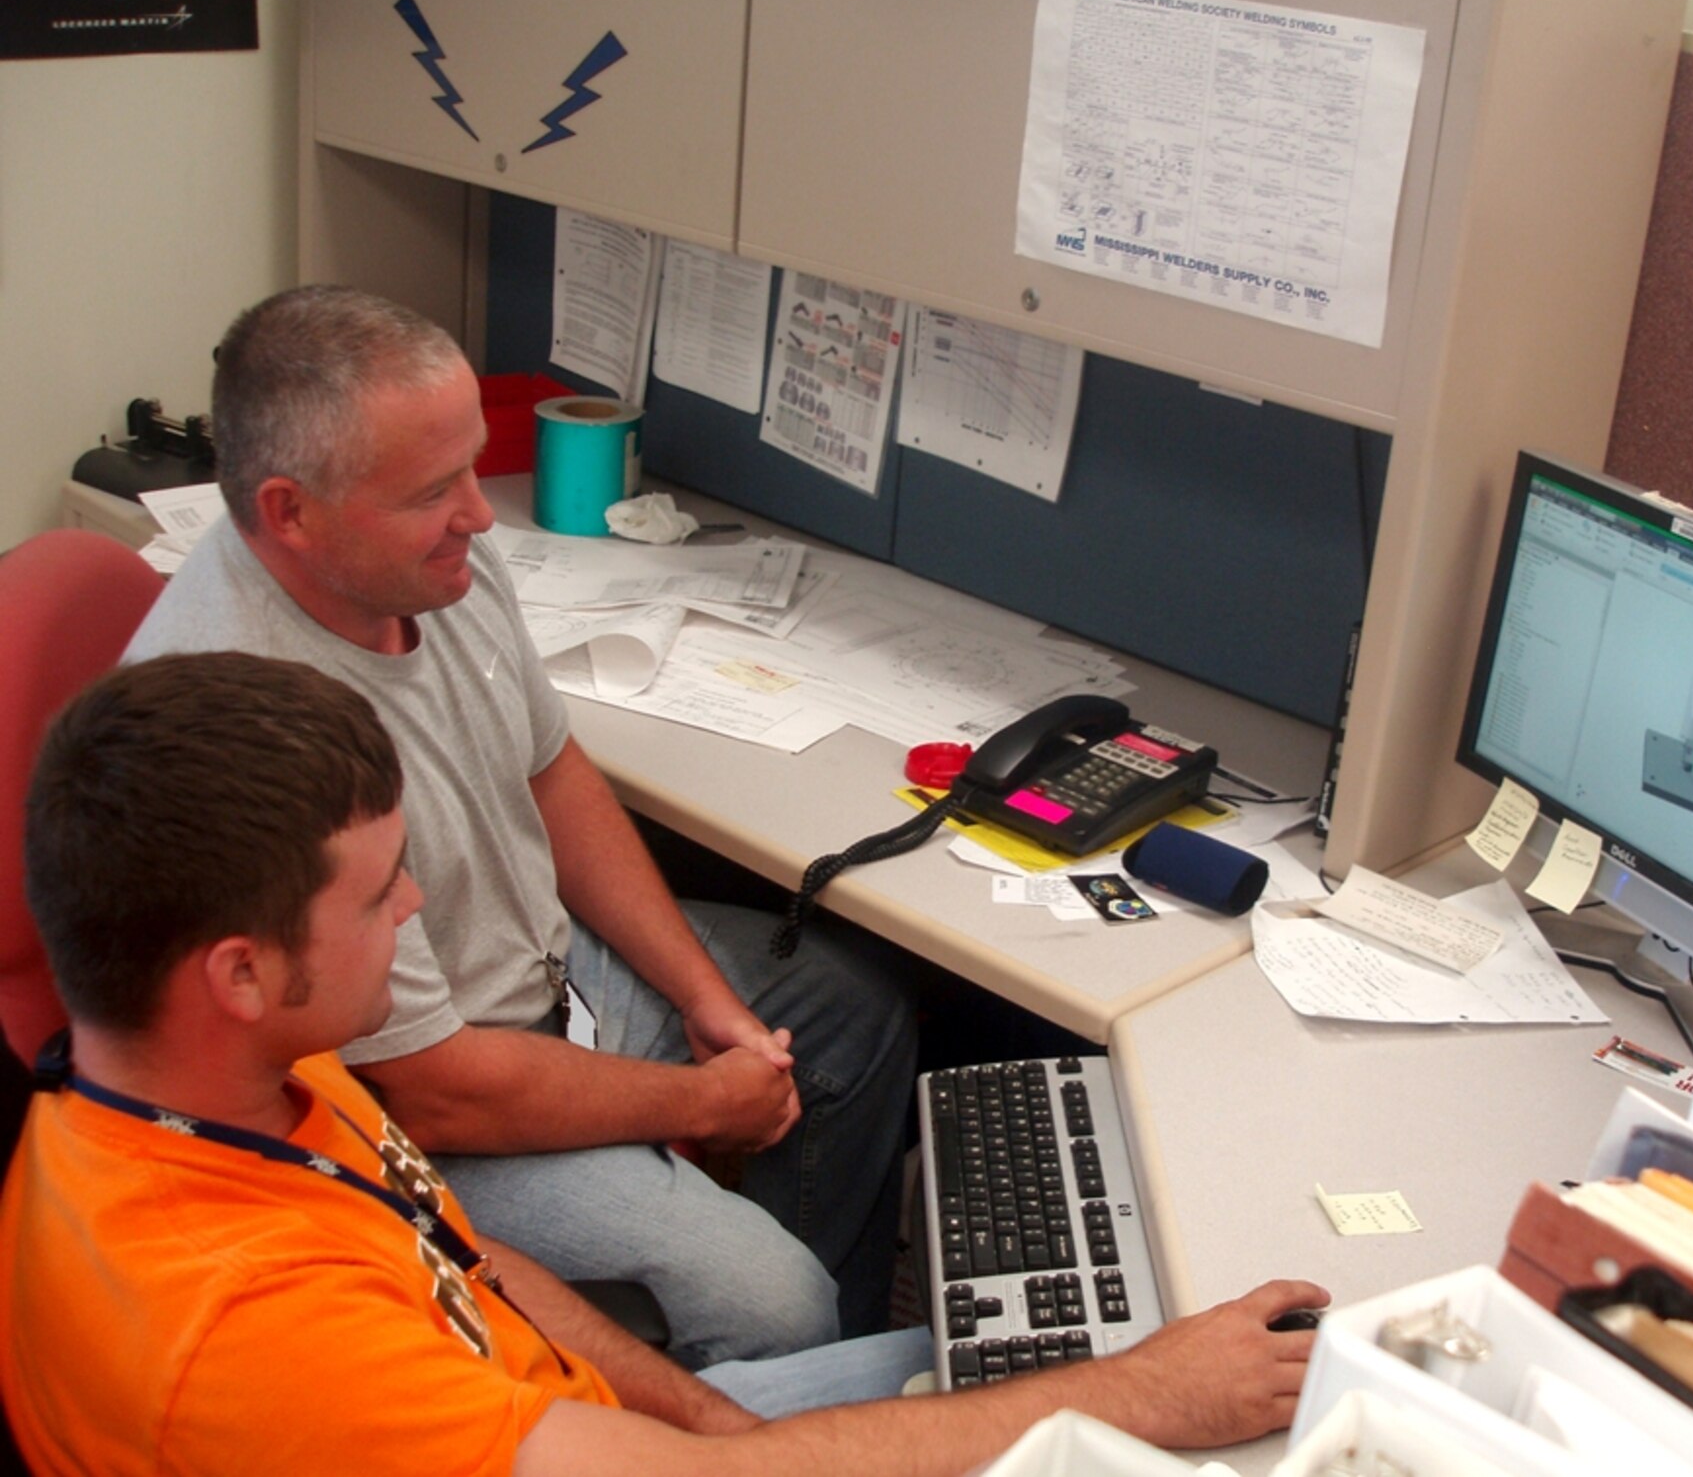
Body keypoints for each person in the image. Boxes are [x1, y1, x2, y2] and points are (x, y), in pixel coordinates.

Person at [1, 652, 1327, 1475]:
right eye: (379, 894)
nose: (414, 913)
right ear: (235, 971)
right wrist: (1143, 1398)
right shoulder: (244, 1337)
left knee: (982, 1361)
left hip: (592, 1436)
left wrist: (713, 1424)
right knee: (1117, 1415)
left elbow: (465, 1264)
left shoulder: (244, 1079)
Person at [124, 285, 917, 1365]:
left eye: (470, 468)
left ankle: (822, 1378)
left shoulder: (425, 550)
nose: (481, 516)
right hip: (424, 1109)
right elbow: (431, 1088)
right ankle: (736, 1384)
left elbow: (550, 770)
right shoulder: (252, 735)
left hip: (547, 979)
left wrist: (703, 1002)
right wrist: (696, 1099)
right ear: (289, 511)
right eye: (433, 489)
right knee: (765, 1298)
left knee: (847, 1013)